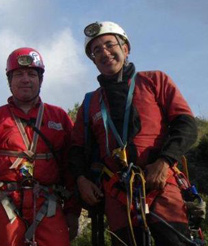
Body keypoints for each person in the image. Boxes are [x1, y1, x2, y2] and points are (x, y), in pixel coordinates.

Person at [70, 21, 198, 246]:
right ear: (92, 60)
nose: (104, 53)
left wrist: (165, 161)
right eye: (96, 50)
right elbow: (77, 149)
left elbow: (185, 123)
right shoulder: (91, 102)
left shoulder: (155, 81)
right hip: (116, 194)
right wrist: (81, 180)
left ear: (126, 48)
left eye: (110, 45)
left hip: (160, 184)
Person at [0, 47, 80, 246]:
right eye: (18, 74)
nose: (25, 79)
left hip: (49, 204)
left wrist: (72, 211)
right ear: (9, 81)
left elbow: (71, 167)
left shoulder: (59, 117)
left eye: (31, 74)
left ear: (40, 80)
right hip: (4, 205)